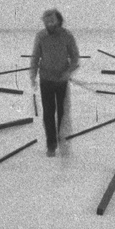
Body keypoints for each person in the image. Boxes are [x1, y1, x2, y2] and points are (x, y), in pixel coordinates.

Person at [28, 8, 80, 155]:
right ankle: (51, 144)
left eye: (51, 21)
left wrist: (68, 72)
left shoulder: (67, 36)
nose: (48, 24)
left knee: (62, 113)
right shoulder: (41, 36)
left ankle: (61, 138)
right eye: (46, 21)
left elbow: (75, 58)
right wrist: (33, 74)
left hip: (61, 82)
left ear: (58, 21)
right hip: (46, 81)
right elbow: (35, 57)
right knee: (48, 113)